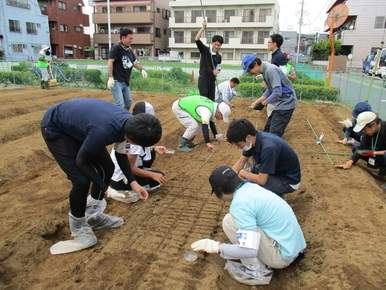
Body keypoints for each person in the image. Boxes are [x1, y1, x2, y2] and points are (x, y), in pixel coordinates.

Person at [41, 98, 162, 254]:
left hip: (84, 126)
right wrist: (107, 190)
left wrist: (133, 182)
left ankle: (93, 215)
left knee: (107, 167)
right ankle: (79, 231)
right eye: (137, 144)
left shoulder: (131, 124)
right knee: (80, 180)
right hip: (57, 128)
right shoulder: (104, 132)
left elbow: (120, 153)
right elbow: (82, 161)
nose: (137, 147)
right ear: (131, 137)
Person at [191, 166, 306, 286]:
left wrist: (217, 247)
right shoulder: (251, 187)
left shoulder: (240, 204)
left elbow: (249, 250)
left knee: (230, 222)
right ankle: (262, 260)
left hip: (283, 257)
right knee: (234, 220)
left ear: (220, 191)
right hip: (294, 246)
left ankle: (257, 271)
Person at [226, 118, 301, 197]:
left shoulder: (268, 148)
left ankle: (275, 199)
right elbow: (241, 162)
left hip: (287, 180)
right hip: (275, 171)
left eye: (239, 144)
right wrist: (229, 177)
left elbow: (261, 180)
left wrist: (243, 173)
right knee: (244, 174)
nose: (238, 147)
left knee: (249, 187)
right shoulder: (253, 140)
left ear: (249, 137)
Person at [110, 101, 166, 201]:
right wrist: (152, 175)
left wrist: (154, 148)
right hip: (121, 178)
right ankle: (124, 191)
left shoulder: (133, 131)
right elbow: (129, 167)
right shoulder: (135, 141)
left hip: (114, 175)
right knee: (158, 178)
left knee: (152, 155)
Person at [242, 55, 298, 138]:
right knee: (267, 132)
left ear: (256, 64)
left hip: (286, 103)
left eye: (249, 70)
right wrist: (258, 101)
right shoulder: (265, 71)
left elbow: (277, 92)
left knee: (274, 135)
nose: (249, 73)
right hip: (280, 104)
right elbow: (270, 89)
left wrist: (263, 103)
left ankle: (274, 150)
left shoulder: (270, 70)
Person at [335, 111, 386, 191]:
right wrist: (350, 162)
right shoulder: (370, 132)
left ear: (374, 125)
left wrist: (374, 153)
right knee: (357, 149)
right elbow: (362, 147)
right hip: (381, 153)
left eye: (364, 129)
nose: (363, 132)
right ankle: (383, 168)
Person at [107, 28, 148, 111]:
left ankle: (123, 117)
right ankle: (117, 120)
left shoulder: (129, 50)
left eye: (132, 38)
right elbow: (110, 62)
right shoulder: (116, 48)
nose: (131, 40)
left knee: (128, 103)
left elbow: (134, 62)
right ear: (123, 38)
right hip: (117, 80)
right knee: (120, 104)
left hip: (125, 81)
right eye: (130, 38)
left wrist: (142, 69)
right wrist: (110, 77)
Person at [195, 20, 223, 101]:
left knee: (211, 100)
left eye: (219, 45)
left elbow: (219, 67)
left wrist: (217, 71)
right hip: (204, 79)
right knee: (204, 100)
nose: (217, 47)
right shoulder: (205, 50)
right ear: (212, 43)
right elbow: (197, 39)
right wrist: (203, 27)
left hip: (212, 81)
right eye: (215, 44)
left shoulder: (218, 57)